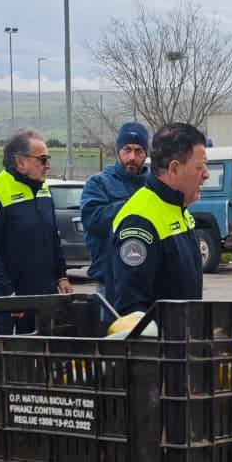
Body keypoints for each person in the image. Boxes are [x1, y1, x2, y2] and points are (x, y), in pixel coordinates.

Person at [0, 129, 71, 335]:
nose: (48, 165)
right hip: (10, 301)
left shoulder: (43, 189)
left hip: (43, 298)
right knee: (12, 355)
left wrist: (61, 276)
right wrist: (9, 296)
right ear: (20, 162)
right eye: (42, 159)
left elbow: (53, 237)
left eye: (48, 159)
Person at [109, 122, 208, 315]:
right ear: (174, 169)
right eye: (199, 167)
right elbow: (131, 309)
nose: (206, 174)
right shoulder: (139, 220)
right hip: (160, 335)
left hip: (183, 332)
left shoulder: (178, 208)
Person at [79, 122, 149, 319]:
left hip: (145, 284)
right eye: (127, 150)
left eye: (139, 151)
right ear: (118, 151)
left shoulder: (153, 185)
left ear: (146, 154)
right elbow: (94, 221)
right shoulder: (99, 182)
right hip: (110, 283)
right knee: (112, 334)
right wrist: (134, 206)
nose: (132, 157)